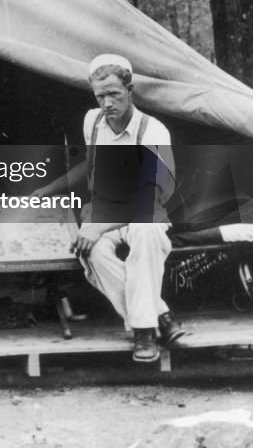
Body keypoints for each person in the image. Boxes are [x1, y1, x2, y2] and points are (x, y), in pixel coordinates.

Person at [33, 54, 185, 362]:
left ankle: (143, 332)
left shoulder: (153, 131)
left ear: (130, 89)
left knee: (145, 233)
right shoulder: (94, 121)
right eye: (100, 95)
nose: (107, 103)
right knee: (91, 250)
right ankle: (161, 315)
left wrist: (98, 226)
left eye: (114, 94)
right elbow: (90, 165)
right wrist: (49, 188)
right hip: (105, 213)